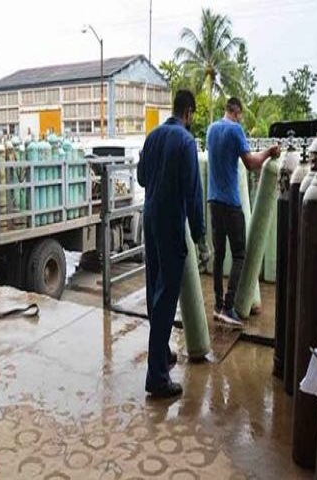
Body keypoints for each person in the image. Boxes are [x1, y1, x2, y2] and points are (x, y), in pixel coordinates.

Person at [137, 89, 205, 399]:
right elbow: (192, 193)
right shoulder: (186, 141)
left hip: (149, 219)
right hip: (169, 224)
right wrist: (200, 237)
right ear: (188, 113)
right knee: (166, 297)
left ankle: (162, 353)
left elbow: (140, 177)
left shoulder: (152, 136)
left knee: (155, 291)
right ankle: (158, 377)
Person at [206, 97, 280, 324]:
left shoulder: (211, 129)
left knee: (219, 254)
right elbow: (251, 163)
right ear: (237, 112)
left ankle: (218, 304)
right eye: (241, 115)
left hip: (213, 201)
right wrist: (269, 152)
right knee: (239, 254)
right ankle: (229, 307)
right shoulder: (235, 130)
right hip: (230, 202)